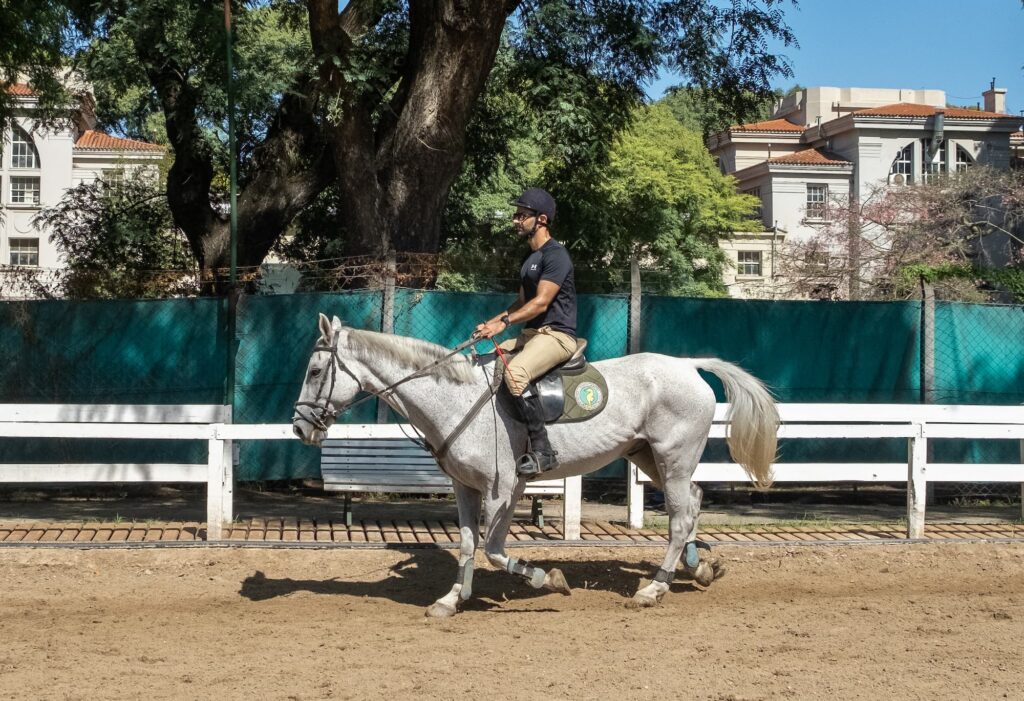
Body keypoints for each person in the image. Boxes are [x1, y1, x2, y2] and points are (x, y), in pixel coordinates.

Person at [475, 188, 577, 477]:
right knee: (486, 360)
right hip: (534, 334)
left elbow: (541, 302)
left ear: (541, 219)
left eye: (522, 215)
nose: (515, 220)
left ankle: (543, 451)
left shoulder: (556, 255)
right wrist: (491, 323)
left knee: (515, 373)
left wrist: (504, 324)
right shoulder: (530, 258)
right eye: (516, 215)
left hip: (556, 334)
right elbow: (521, 303)